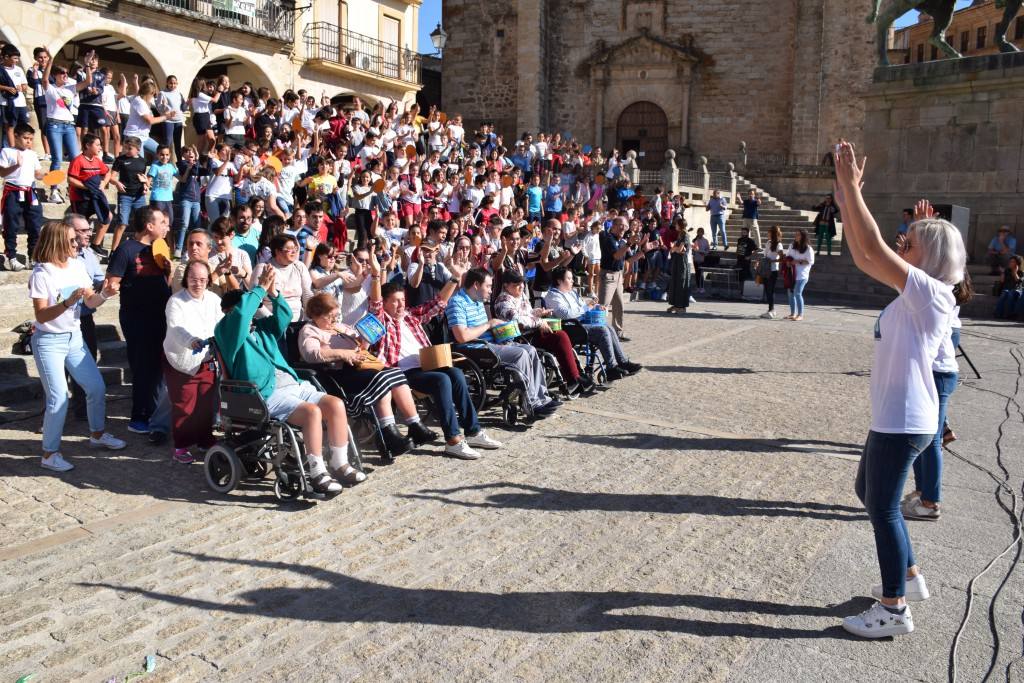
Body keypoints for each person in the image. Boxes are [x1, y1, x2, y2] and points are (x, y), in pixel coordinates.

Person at [833, 141, 966, 638]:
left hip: (904, 416)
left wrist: (850, 189)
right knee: (867, 492)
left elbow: (875, 247)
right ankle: (909, 578)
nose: (900, 243)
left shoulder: (931, 293)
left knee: (883, 507)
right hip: (894, 413)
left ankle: (893, 608)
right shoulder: (919, 294)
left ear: (927, 255)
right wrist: (847, 201)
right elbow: (866, 254)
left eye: (909, 241)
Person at [215, 268, 355, 493]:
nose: (251, 314)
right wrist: (258, 289)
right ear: (228, 312)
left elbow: (284, 318)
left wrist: (273, 294)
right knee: (312, 413)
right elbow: (240, 316)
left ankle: (340, 463)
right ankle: (317, 472)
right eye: (247, 308)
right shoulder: (226, 331)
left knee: (335, 404)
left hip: (294, 385)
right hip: (264, 394)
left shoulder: (260, 329)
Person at [368, 258, 503, 459]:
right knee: (442, 380)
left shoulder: (410, 316)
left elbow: (438, 303)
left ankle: (473, 431)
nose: (400, 305)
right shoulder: (380, 320)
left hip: (426, 365)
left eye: (402, 300)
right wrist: (377, 273)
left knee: (456, 374)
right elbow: (375, 303)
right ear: (385, 303)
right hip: (401, 373)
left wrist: (456, 278)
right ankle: (453, 440)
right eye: (395, 301)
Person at [28, 220, 125, 472]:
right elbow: (40, 316)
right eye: (72, 240)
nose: (78, 243)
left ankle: (97, 435)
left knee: (96, 387)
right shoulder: (42, 273)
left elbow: (89, 302)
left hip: (74, 337)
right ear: (59, 242)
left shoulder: (77, 265)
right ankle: (49, 454)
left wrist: (104, 294)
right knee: (58, 398)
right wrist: (66, 302)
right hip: (48, 342)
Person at [299, 293, 433, 457]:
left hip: (359, 368)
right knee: (382, 378)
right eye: (330, 317)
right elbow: (310, 354)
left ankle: (415, 425)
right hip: (337, 376)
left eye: (336, 316)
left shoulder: (339, 326)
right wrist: (343, 354)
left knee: (394, 374)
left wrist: (367, 338)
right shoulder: (309, 330)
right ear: (315, 315)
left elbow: (362, 347)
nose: (334, 321)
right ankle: (388, 433)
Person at [446, 268, 560, 417]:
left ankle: (541, 398)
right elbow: (461, 336)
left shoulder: (478, 301)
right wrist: (489, 324)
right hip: (473, 348)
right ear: (476, 285)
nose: (490, 290)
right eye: (488, 286)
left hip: (489, 344)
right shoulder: (457, 302)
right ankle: (530, 403)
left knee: (530, 350)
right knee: (521, 354)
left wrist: (502, 330)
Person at [903, 276, 971, 522]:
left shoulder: (936, 289)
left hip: (938, 371)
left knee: (930, 439)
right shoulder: (933, 285)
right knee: (925, 436)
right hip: (932, 370)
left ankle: (930, 502)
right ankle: (923, 493)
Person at [104, 206, 172, 434]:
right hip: (137, 319)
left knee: (158, 369)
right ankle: (138, 417)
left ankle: (155, 412)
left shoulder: (160, 248)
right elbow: (112, 281)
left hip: (161, 317)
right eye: (162, 222)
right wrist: (112, 287)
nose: (166, 226)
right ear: (149, 226)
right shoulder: (126, 249)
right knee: (143, 368)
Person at [493, 269, 590, 395]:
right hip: (517, 337)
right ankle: (572, 378)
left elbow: (527, 314)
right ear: (506, 285)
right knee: (559, 337)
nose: (521, 286)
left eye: (522, 283)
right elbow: (518, 320)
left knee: (560, 335)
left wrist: (537, 313)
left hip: (530, 333)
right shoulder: (503, 301)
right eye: (516, 284)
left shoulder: (520, 296)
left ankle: (574, 377)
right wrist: (539, 322)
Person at [163, 259, 222, 464]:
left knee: (206, 404)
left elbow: (222, 323)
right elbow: (176, 328)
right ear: (186, 278)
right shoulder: (176, 301)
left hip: (208, 359)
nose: (198, 283)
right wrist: (191, 341)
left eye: (203, 279)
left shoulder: (214, 299)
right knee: (184, 405)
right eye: (193, 279)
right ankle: (181, 445)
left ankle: (205, 439)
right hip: (182, 360)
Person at [544, 266, 641, 381]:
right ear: (559, 281)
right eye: (569, 279)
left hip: (580, 324)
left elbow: (583, 307)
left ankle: (623, 362)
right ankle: (611, 367)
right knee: (602, 330)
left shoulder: (572, 293)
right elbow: (565, 314)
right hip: (568, 328)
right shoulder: (553, 296)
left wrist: (595, 307)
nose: (572, 281)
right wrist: (586, 307)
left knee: (608, 327)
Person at [0, 122, 45, 272]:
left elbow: (37, 174)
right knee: (11, 225)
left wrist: (46, 176)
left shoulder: (32, 154)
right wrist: (16, 165)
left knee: (35, 224)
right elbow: (2, 173)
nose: (28, 141)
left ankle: (33, 257)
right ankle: (11, 257)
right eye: (26, 138)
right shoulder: (7, 151)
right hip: (12, 191)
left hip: (30, 191)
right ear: (16, 136)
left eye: (31, 139)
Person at [599, 216, 637, 339]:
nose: (623, 228)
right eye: (621, 225)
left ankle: (618, 331)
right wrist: (629, 243)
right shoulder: (608, 238)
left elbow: (628, 260)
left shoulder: (622, 241)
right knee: (603, 305)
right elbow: (616, 256)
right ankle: (598, 331)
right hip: (608, 275)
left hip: (619, 275)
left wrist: (643, 251)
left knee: (619, 305)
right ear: (613, 226)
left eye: (625, 226)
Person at [784, 229, 814, 321]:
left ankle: (800, 314)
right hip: (792, 274)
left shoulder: (808, 248)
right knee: (790, 294)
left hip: (802, 275)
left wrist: (798, 261)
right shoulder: (792, 246)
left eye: (798, 235)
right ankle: (793, 313)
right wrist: (788, 262)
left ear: (803, 237)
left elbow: (810, 261)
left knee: (797, 293)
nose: (796, 236)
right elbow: (788, 256)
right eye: (795, 234)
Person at [665, 221, 692, 314]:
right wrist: (675, 249)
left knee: (681, 282)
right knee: (675, 282)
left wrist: (674, 248)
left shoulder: (685, 235)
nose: (675, 225)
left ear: (680, 225)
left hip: (682, 262)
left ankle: (682, 306)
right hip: (677, 261)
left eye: (676, 224)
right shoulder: (680, 235)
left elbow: (680, 249)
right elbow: (674, 249)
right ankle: (676, 304)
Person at [760, 225, 785, 319]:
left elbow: (782, 259)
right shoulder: (768, 242)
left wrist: (772, 261)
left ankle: (772, 310)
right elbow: (765, 255)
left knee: (770, 290)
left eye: (769, 232)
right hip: (765, 269)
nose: (767, 233)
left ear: (773, 233)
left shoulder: (778, 244)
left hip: (773, 270)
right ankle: (770, 309)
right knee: (767, 290)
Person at [993, 254, 1023, 318]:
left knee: (1011, 293)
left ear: (1017, 263)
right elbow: (1002, 281)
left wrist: (1015, 272)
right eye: (1010, 261)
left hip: (1017, 290)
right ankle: (998, 313)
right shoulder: (1007, 271)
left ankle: (1009, 314)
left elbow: (1018, 281)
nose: (1010, 263)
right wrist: (1003, 272)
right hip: (1007, 289)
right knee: (1004, 293)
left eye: (1013, 262)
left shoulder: (1021, 272)